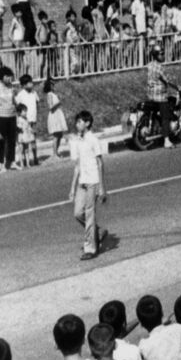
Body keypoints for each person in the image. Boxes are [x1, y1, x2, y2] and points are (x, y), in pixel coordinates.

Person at [68, 109, 110, 259]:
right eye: (76, 122)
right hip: (82, 183)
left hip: (93, 182)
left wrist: (102, 187)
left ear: (88, 123)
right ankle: (97, 232)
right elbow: (77, 165)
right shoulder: (78, 141)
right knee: (78, 213)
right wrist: (72, 187)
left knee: (90, 214)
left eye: (80, 122)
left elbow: (100, 163)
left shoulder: (93, 140)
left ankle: (90, 248)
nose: (77, 124)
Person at [0, 64, 20, 172]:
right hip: (1, 117)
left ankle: (11, 161)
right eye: (7, 76)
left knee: (12, 140)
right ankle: (1, 163)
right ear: (2, 77)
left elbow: (15, 101)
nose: (9, 78)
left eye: (10, 76)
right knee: (2, 141)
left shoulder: (11, 87)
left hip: (12, 116)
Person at [43, 81, 68, 158]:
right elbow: (50, 107)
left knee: (60, 134)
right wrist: (58, 103)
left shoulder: (53, 94)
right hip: (54, 115)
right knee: (56, 135)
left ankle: (56, 152)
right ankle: (54, 153)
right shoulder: (50, 94)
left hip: (58, 114)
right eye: (52, 85)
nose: (53, 86)